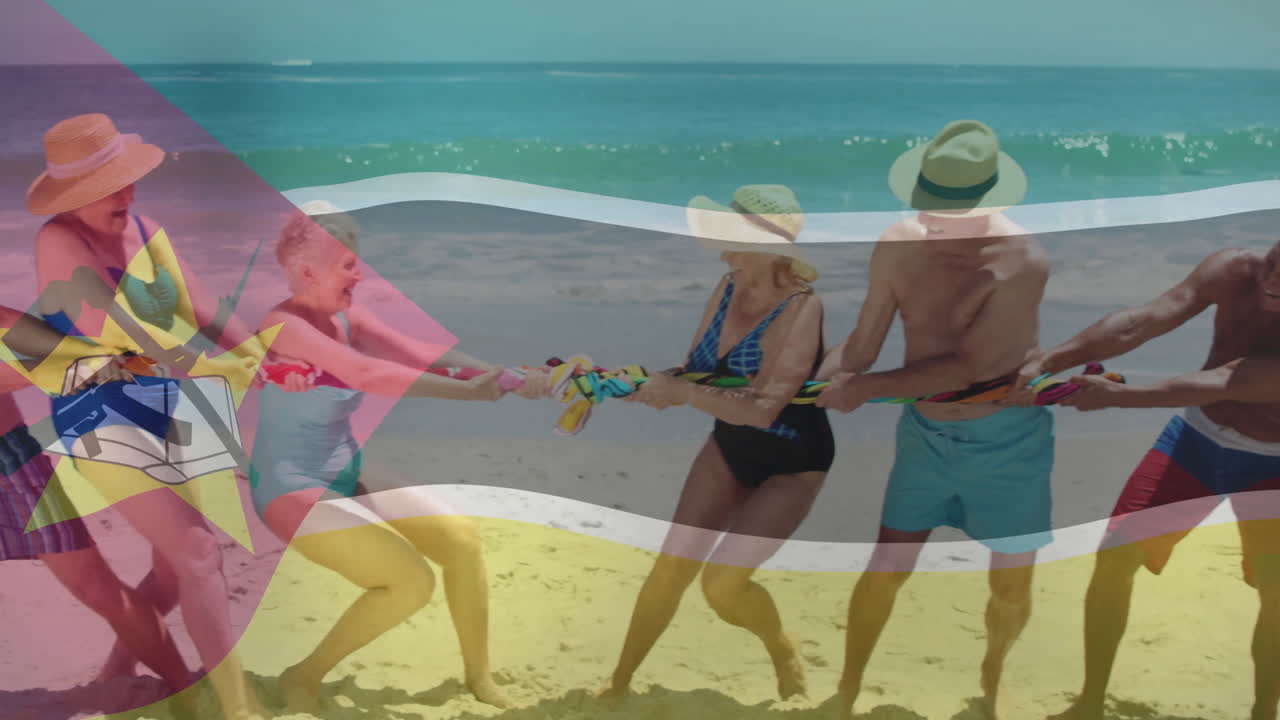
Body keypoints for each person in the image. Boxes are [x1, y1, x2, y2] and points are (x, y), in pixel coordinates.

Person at [248, 201, 550, 712]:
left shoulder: (346, 317)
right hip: (291, 488)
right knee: (409, 583)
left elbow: (421, 354)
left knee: (461, 539)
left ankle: (479, 678)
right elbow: (365, 373)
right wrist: (468, 394)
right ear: (308, 272)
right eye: (347, 264)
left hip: (346, 466)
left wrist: (506, 378)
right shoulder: (283, 325)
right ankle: (302, 676)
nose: (359, 274)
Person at [28, 113, 268, 720]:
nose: (128, 194)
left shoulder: (144, 226)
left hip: (168, 402)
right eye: (110, 186)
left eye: (128, 180)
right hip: (99, 414)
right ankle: (235, 704)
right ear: (74, 195)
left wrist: (254, 351)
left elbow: (198, 303)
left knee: (173, 566)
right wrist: (204, 365)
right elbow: (109, 333)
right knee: (198, 553)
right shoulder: (57, 241)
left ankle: (119, 670)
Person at [815, 120, 1049, 719]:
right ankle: (846, 689)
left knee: (1011, 586)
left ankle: (994, 677)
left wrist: (864, 391)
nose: (932, 221)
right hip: (925, 434)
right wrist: (802, 379)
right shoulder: (899, 245)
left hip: (1008, 437)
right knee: (887, 566)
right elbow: (862, 347)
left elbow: (968, 367)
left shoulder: (1021, 261)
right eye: (928, 205)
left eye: (953, 210)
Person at [1011, 240, 1280, 720]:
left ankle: (1263, 713)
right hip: (1196, 438)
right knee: (1115, 555)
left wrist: (1118, 397)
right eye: (1275, 263)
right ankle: (1089, 704)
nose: (1273, 280)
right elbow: (1145, 320)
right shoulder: (1235, 269)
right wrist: (1048, 362)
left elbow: (1226, 382)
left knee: (1275, 592)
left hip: (1271, 465)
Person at [602, 184, 833, 700]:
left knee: (723, 585)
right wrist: (643, 383)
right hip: (730, 446)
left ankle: (780, 646)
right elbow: (698, 372)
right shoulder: (728, 286)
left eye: (734, 242)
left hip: (793, 460)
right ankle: (619, 682)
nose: (724, 254)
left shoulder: (803, 307)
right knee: (671, 566)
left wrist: (682, 394)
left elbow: (764, 409)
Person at [0, 306, 193, 711]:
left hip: (10, 465)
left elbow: (49, 349)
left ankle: (183, 688)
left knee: (95, 586)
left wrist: (97, 361)